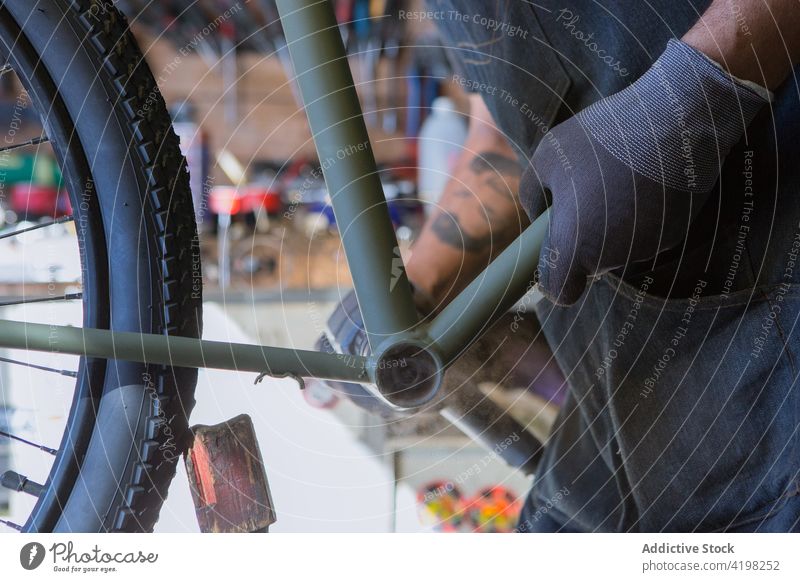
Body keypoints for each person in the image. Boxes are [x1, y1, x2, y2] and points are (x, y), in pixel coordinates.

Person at [329, 0, 800, 531]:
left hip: (771, 330)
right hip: (628, 383)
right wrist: (418, 290)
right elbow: (506, 142)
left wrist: (690, 95)